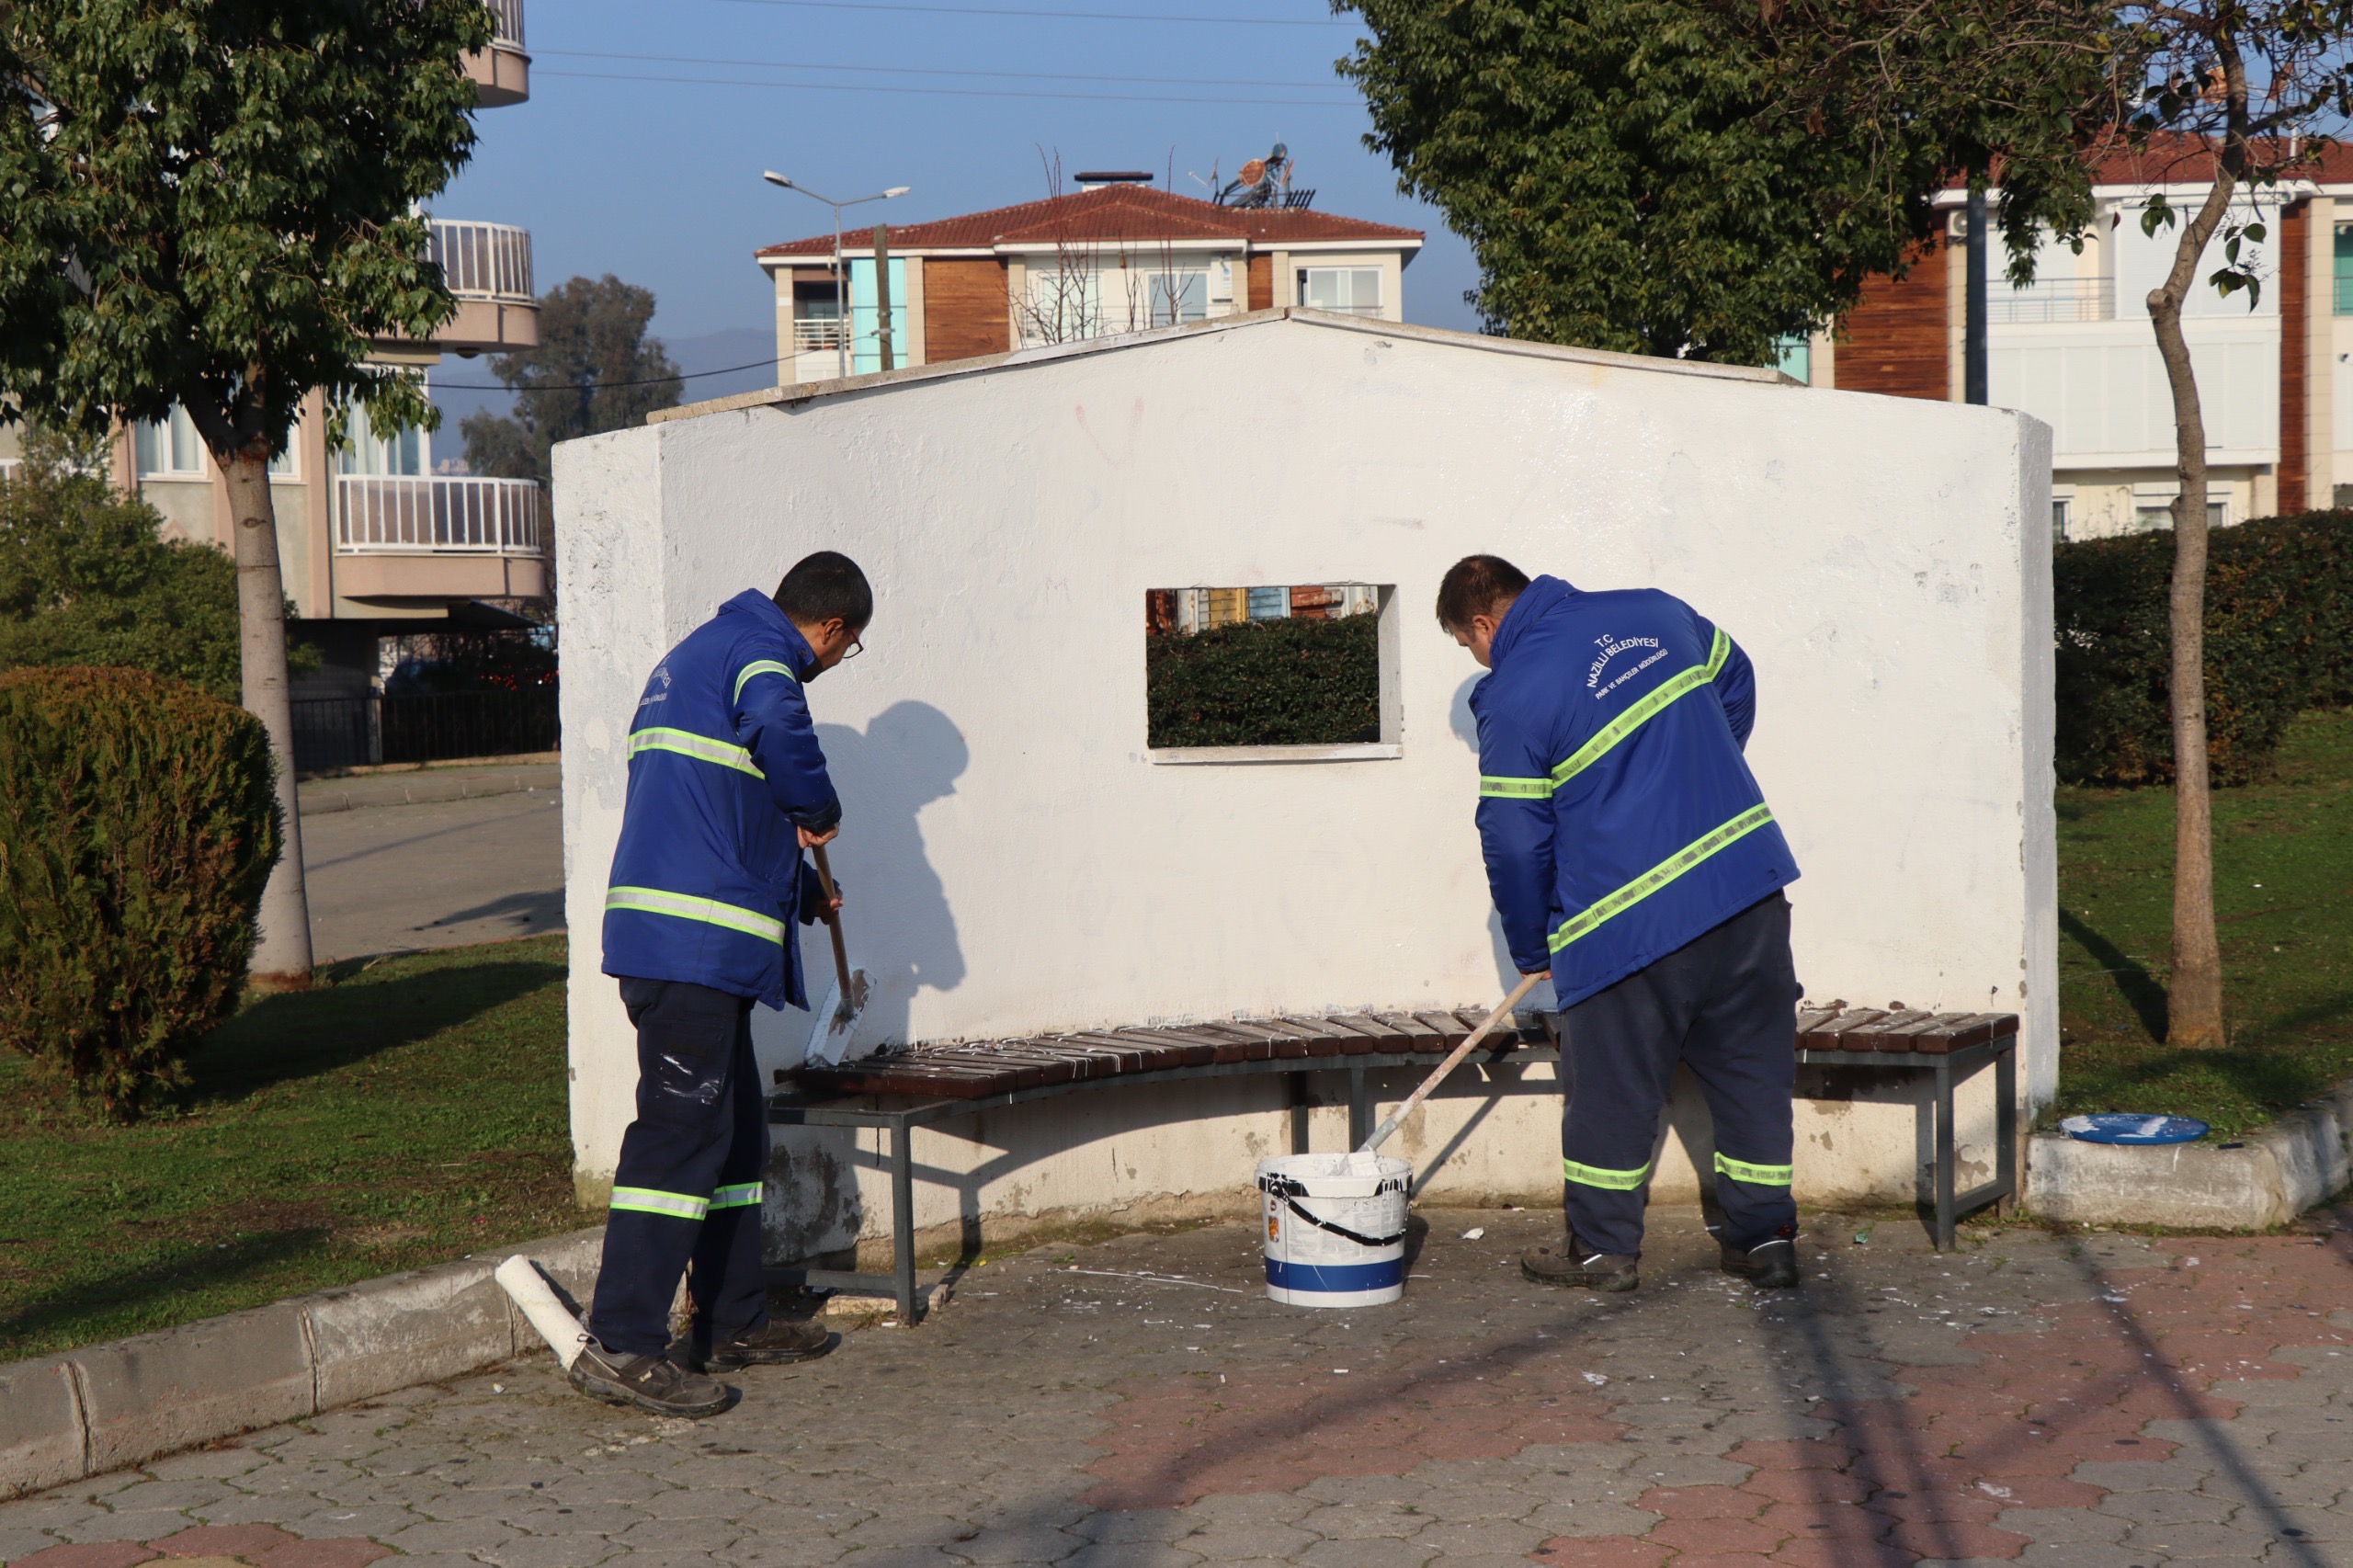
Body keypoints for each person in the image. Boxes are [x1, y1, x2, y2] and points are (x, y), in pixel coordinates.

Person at [1438, 554, 1803, 1293]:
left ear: (1483, 623)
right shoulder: (1655, 610)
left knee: (1612, 1090)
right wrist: (1694, 773)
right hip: (1746, 887)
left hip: (1626, 924)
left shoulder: (1511, 694)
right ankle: (1766, 1243)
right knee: (1751, 1077)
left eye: (1466, 644)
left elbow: (1512, 837)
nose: (1478, 658)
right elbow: (1738, 678)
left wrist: (1530, 945)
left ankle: (1603, 1251)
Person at [573, 551, 872, 1415]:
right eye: (842, 651)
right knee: (680, 1136)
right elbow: (781, 736)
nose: (828, 666)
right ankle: (623, 1342)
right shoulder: (762, 657)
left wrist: (801, 892)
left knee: (733, 1136)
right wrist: (818, 809)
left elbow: (717, 807)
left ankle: (732, 1319)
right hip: (688, 946)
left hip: (691, 937)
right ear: (834, 630)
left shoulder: (697, 659)